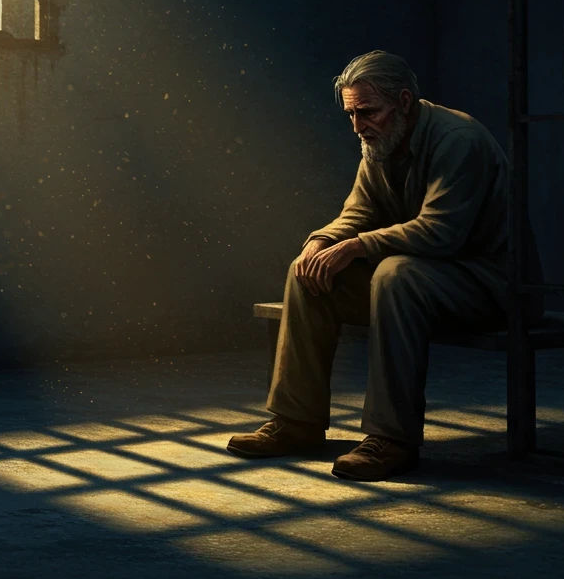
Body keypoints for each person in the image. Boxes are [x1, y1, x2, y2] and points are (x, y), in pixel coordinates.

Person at [226, 50, 544, 481]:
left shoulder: (458, 139)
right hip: (434, 282)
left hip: (494, 286)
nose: (357, 126)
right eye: (351, 114)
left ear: (404, 102)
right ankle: (297, 422)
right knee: (309, 271)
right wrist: (322, 241)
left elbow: (441, 233)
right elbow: (358, 213)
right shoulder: (381, 142)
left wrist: (357, 246)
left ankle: (392, 439)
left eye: (367, 112)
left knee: (397, 274)